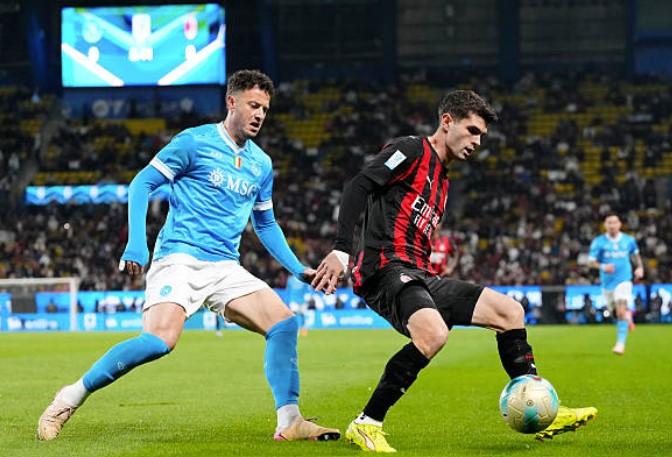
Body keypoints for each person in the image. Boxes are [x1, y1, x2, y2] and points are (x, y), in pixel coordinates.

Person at [37, 70, 339, 443]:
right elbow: (142, 183)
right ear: (232, 102)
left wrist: (298, 269)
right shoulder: (194, 142)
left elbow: (265, 224)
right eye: (253, 105)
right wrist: (137, 243)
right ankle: (69, 397)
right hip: (179, 257)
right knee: (159, 341)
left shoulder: (261, 164)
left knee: (284, 324)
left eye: (265, 108)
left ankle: (289, 420)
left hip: (225, 265)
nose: (260, 114)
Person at [312, 90, 596, 452]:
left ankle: (541, 407)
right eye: (472, 130)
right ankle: (366, 423)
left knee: (509, 312)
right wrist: (341, 249)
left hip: (419, 273)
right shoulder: (411, 150)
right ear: (447, 122)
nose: (477, 142)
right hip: (385, 267)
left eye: (482, 136)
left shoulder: (443, 180)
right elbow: (359, 185)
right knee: (433, 334)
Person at [588, 213, 644, 355]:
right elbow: (590, 261)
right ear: (605, 225)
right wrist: (603, 266)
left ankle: (620, 344)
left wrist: (639, 267)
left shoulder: (628, 240)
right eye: (609, 223)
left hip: (624, 279)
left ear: (620, 224)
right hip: (607, 284)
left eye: (615, 222)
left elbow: (635, 255)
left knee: (620, 310)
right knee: (615, 313)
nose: (612, 225)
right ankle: (628, 317)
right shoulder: (598, 242)